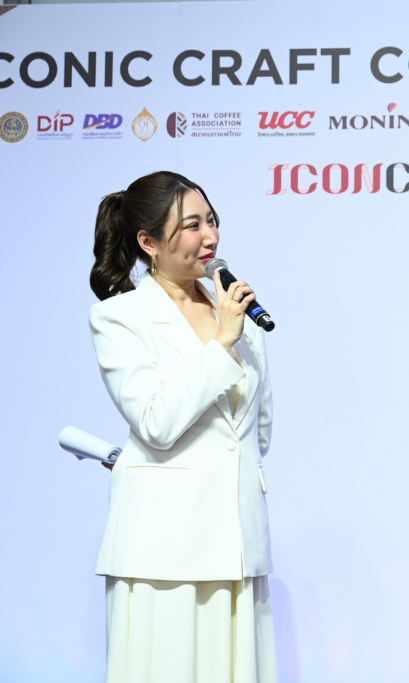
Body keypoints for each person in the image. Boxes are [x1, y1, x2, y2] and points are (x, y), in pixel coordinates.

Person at [89, 171, 277, 683]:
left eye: (211, 220)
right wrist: (221, 343)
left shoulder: (234, 310)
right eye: (192, 225)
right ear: (149, 243)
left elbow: (257, 430)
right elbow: (156, 422)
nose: (210, 236)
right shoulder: (121, 317)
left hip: (238, 544)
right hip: (164, 549)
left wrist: (232, 330)